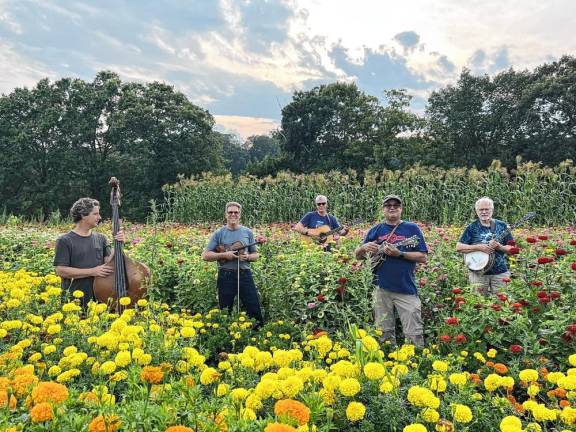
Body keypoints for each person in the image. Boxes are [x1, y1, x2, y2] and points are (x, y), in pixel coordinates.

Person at [354, 195, 428, 347]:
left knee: (413, 332)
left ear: (401, 209)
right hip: (381, 289)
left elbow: (423, 257)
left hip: (406, 289)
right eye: (388, 205)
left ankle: (415, 361)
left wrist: (400, 254)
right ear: (383, 210)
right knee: (383, 331)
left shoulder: (412, 229)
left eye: (396, 205)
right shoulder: (376, 230)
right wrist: (363, 248)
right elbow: (358, 256)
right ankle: (387, 361)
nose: (392, 207)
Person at [54, 197, 125, 309]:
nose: (99, 217)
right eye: (95, 214)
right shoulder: (65, 240)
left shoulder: (101, 238)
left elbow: (109, 264)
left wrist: (118, 242)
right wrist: (93, 271)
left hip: (101, 298)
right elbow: (61, 270)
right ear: (83, 215)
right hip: (75, 302)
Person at [202, 202, 264, 328]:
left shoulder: (247, 232)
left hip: (244, 274)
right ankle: (225, 340)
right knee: (225, 310)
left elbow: (255, 255)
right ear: (226, 214)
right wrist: (224, 255)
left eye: (236, 212)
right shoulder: (219, 233)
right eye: (230, 212)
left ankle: (258, 337)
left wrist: (248, 257)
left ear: (240, 214)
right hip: (226, 275)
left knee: (254, 308)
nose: (233, 214)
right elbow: (206, 255)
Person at [456, 197, 514, 296]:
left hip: (500, 273)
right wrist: (479, 247)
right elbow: (459, 247)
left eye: (486, 209)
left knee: (502, 303)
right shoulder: (472, 227)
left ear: (492, 210)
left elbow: (513, 249)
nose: (484, 212)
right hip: (478, 273)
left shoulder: (502, 226)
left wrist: (500, 247)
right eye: (481, 210)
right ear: (476, 211)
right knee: (478, 304)